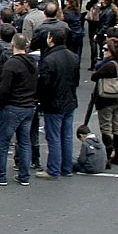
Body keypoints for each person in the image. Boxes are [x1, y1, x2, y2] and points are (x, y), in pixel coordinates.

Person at [0, 33, 37, 187]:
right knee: (24, 141)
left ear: (13, 44)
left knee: (3, 141)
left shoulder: (11, 64)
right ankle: (24, 175)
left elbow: (5, 89)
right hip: (29, 106)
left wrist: (2, 105)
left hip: (13, 106)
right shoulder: (32, 62)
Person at [35, 26, 79, 178]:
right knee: (66, 135)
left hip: (53, 103)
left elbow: (44, 84)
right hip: (70, 100)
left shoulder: (48, 60)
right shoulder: (73, 56)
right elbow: (76, 80)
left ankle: (53, 169)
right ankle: (66, 168)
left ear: (51, 39)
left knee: (53, 136)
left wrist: (40, 100)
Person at [89, 39, 118, 167]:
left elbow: (94, 76)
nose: (103, 51)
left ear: (111, 52)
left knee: (105, 127)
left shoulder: (108, 65)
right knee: (116, 126)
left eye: (106, 50)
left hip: (106, 99)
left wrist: (101, 63)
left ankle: (108, 155)